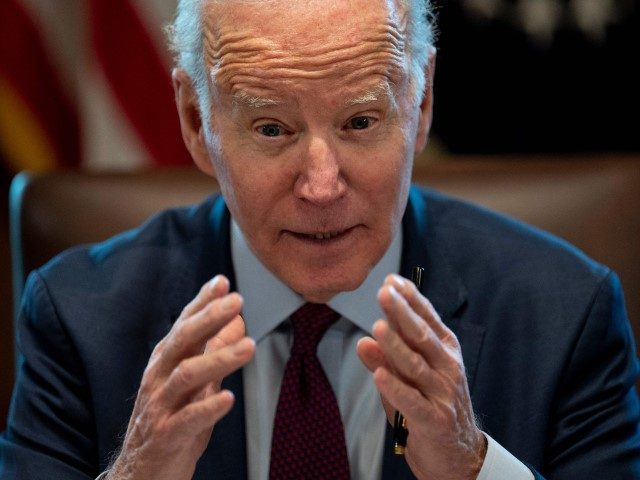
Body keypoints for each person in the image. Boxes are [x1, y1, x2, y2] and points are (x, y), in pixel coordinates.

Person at [1, 0, 639, 479]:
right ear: (196, 122)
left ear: (419, 106)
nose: (322, 185)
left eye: (361, 121)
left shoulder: (567, 314)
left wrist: (473, 466)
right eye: (272, 129)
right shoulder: (77, 317)